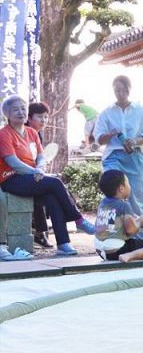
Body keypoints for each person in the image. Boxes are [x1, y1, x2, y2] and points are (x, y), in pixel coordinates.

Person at [0, 96, 95, 256]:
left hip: (31, 178)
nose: (21, 112)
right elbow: (13, 162)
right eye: (15, 109)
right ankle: (78, 220)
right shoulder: (4, 134)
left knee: (52, 199)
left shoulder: (32, 132)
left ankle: (63, 244)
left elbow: (41, 156)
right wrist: (35, 172)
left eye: (23, 108)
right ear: (6, 114)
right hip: (11, 179)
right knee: (56, 183)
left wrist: (39, 168)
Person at [94, 75, 143, 239]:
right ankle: (111, 233)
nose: (121, 93)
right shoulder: (106, 113)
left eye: (124, 89)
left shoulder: (141, 110)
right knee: (113, 190)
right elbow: (98, 138)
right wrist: (110, 135)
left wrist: (134, 141)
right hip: (114, 155)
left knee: (137, 195)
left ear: (130, 89)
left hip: (136, 155)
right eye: (117, 90)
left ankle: (139, 235)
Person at [94, 170, 143, 260]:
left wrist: (132, 219)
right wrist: (140, 222)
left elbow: (111, 225)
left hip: (101, 249)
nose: (130, 186)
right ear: (121, 188)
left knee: (135, 243)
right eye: (128, 183)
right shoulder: (123, 205)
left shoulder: (103, 203)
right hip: (117, 250)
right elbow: (131, 230)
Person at [26, 101, 53, 247]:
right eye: (40, 117)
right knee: (39, 191)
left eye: (46, 117)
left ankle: (42, 232)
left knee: (55, 189)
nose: (43, 120)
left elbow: (39, 157)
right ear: (29, 118)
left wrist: (41, 167)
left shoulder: (38, 135)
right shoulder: (22, 132)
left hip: (35, 174)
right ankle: (40, 233)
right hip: (21, 175)